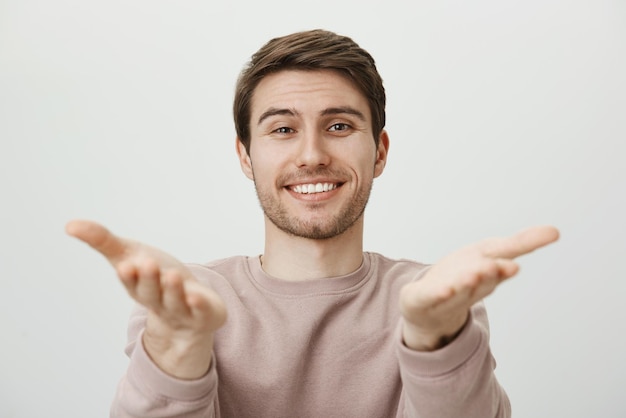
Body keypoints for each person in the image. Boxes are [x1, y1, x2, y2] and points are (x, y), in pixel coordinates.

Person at [66, 29, 559, 418]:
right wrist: (177, 347)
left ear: (379, 151)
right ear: (245, 156)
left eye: (339, 126)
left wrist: (436, 343)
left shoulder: (436, 299)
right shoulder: (188, 300)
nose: (312, 155)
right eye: (282, 129)